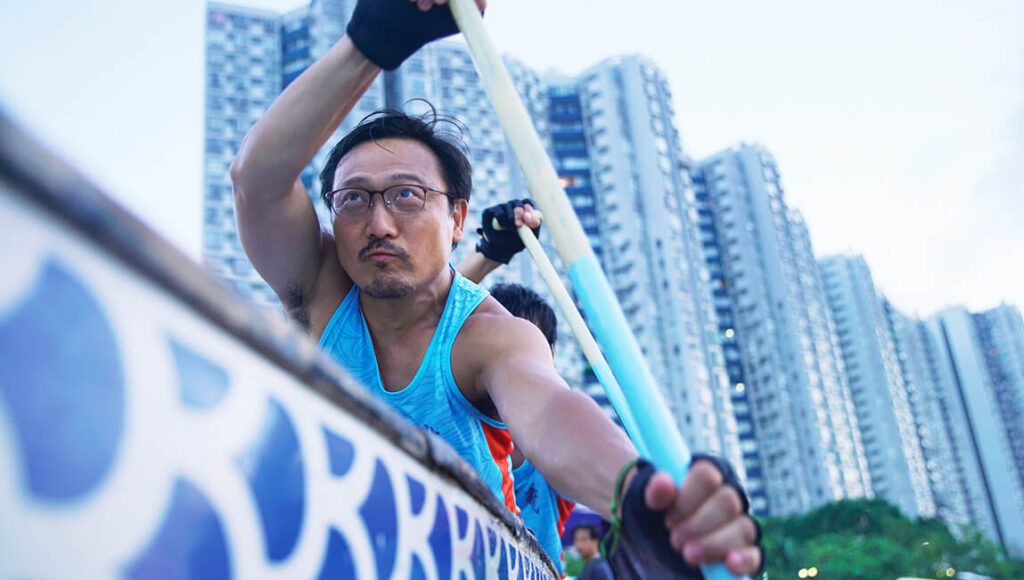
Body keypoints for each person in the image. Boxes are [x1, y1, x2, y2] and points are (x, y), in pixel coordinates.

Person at [229, 0, 763, 575]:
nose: (379, 223)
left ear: (457, 219)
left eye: (407, 195)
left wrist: (636, 495)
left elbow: (549, 410)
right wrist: (370, 41)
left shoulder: (490, 337)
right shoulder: (321, 288)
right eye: (354, 199)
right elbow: (255, 181)